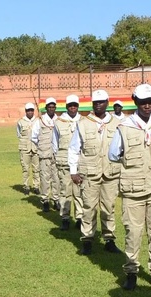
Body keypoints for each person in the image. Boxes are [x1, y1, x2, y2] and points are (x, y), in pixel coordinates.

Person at [108, 84, 151, 291]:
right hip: (134, 190)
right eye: (143, 101)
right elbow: (113, 154)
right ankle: (132, 272)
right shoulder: (125, 126)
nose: (147, 105)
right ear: (135, 101)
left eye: (150, 102)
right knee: (133, 233)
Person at [69, 91, 122, 255]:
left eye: (101, 102)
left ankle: (109, 239)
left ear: (107, 102)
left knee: (109, 207)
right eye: (95, 102)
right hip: (89, 174)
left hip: (110, 174)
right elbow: (74, 148)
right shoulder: (83, 123)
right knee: (88, 207)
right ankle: (87, 240)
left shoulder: (118, 123)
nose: (98, 104)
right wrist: (73, 171)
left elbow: (123, 149)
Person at [55, 94, 83, 230]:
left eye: (75, 105)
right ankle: (65, 217)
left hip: (79, 161)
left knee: (79, 191)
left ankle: (80, 217)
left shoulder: (83, 121)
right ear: (66, 106)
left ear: (78, 106)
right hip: (64, 160)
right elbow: (54, 143)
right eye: (70, 105)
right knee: (65, 190)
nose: (73, 107)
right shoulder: (59, 122)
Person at [32, 98, 60, 213]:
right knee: (44, 178)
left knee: (57, 178)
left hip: (57, 154)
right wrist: (43, 146)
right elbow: (34, 137)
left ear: (55, 108)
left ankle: (56, 199)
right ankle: (45, 200)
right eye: (49, 107)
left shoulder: (59, 120)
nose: (51, 109)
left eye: (53, 107)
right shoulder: (40, 121)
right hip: (44, 153)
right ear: (46, 108)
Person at [16, 103, 41, 195]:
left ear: (33, 111)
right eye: (28, 110)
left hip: (36, 148)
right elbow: (19, 134)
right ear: (25, 111)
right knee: (25, 168)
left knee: (37, 169)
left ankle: (36, 186)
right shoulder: (20, 122)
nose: (30, 112)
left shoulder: (38, 121)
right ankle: (26, 186)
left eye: (31, 110)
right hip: (25, 148)